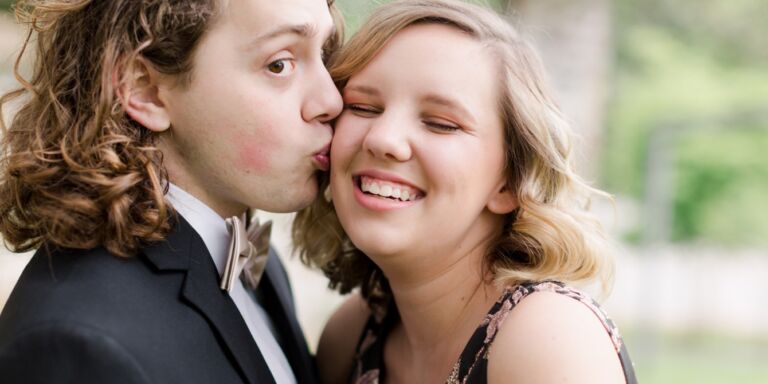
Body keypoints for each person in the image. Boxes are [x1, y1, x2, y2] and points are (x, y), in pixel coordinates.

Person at [293, 0, 638, 383]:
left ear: (510, 183)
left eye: (441, 124)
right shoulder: (350, 335)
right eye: (363, 107)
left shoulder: (548, 339)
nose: (384, 139)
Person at [0, 0, 342, 383]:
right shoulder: (77, 344)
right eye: (279, 64)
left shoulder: (248, 255)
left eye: (325, 53)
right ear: (145, 91)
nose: (331, 101)